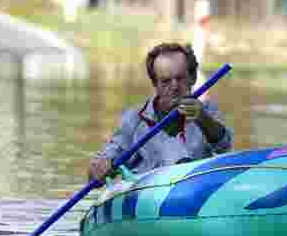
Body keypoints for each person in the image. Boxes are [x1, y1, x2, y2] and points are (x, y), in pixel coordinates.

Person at [88, 43, 233, 181]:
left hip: (197, 192)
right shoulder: (134, 119)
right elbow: (110, 157)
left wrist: (203, 119)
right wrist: (100, 167)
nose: (175, 86)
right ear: (155, 84)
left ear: (192, 78)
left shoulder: (207, 111)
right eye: (165, 81)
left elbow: (224, 147)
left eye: (180, 78)